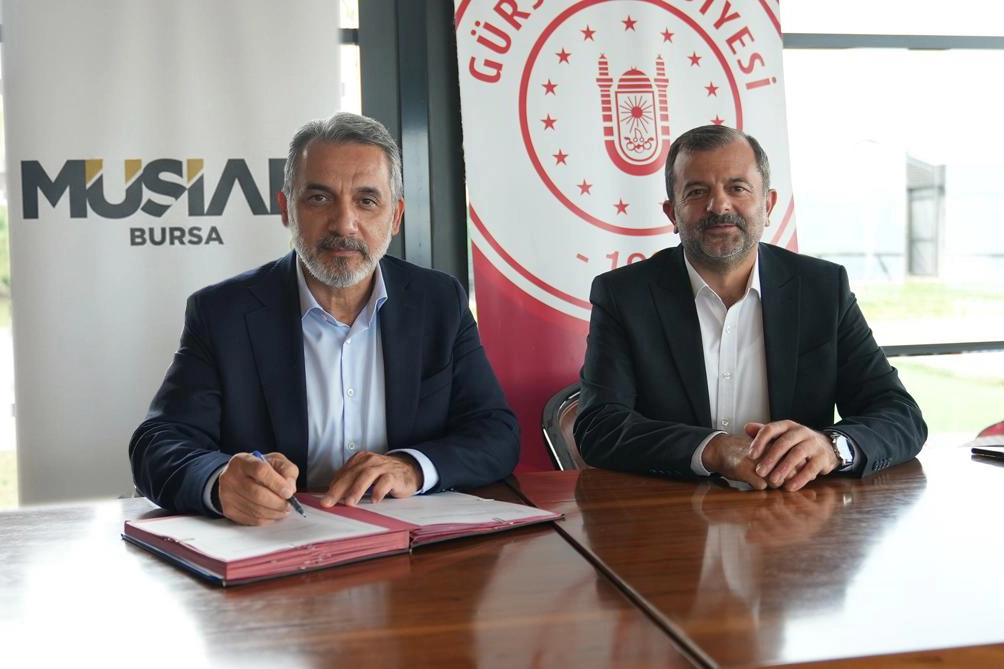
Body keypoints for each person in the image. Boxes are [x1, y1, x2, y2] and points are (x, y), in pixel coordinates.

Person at [130, 112, 519, 524]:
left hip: (410, 542)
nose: (344, 224)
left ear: (395, 217)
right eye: (319, 198)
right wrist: (220, 480)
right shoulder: (223, 314)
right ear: (286, 209)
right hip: (280, 544)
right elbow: (158, 444)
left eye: (366, 201)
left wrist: (413, 467)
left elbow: (496, 432)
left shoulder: (438, 302)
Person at [574, 124, 926, 491]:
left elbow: (899, 415)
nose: (719, 206)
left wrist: (832, 447)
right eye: (697, 192)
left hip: (796, 510)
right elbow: (600, 427)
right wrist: (711, 449)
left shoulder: (821, 288)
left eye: (737, 188)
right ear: (672, 214)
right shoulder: (624, 295)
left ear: (768, 205)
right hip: (672, 512)